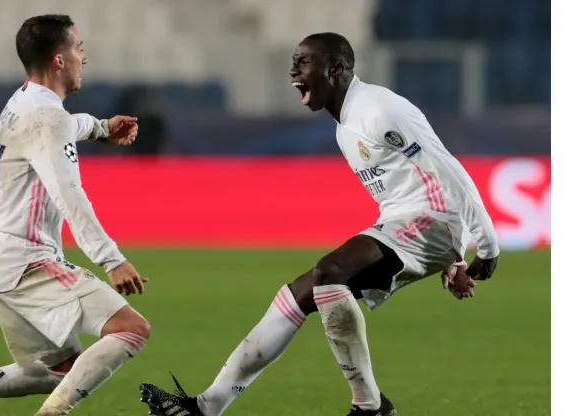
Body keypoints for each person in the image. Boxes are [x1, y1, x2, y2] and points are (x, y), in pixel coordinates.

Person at [139, 32, 500, 416]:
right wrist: (451, 259)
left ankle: (370, 407)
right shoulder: (346, 126)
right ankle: (208, 406)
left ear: (338, 69)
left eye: (303, 62)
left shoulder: (378, 110)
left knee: (330, 273)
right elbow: (410, 184)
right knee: (297, 294)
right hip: (408, 222)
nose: (293, 71)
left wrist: (486, 245)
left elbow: (447, 172)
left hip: (430, 221)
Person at [0, 14, 151, 416]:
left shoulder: (24, 102)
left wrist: (99, 127)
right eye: (78, 49)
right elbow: (69, 195)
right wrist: (112, 259)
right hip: (27, 263)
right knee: (131, 330)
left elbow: (59, 127)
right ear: (60, 60)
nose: (84, 58)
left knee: (62, 370)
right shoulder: (46, 117)